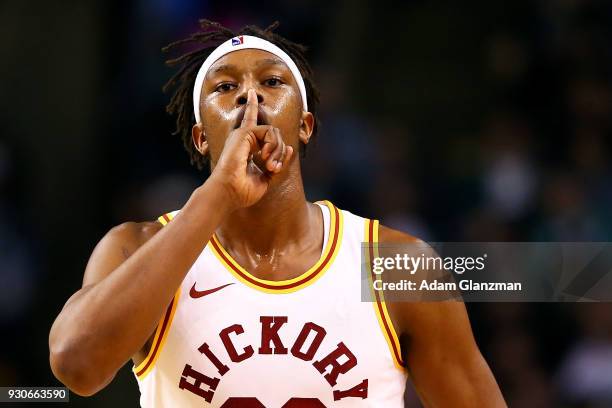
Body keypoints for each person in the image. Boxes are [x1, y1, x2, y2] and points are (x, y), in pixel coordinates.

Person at [49, 20, 506, 407]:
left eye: (271, 82)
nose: (251, 97)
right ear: (201, 137)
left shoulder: (395, 266)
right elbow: (77, 366)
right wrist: (218, 195)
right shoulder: (137, 247)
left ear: (304, 126)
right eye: (226, 87)